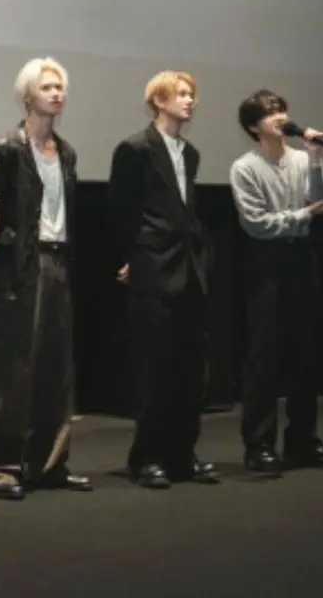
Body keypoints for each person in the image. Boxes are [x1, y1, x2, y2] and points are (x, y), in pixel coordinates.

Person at [0, 58, 91, 501]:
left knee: (57, 366)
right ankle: (1, 467)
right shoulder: (6, 149)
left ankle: (49, 463)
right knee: (16, 367)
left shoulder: (66, 152)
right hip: (23, 264)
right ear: (27, 95)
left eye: (60, 86)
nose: (57, 93)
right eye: (47, 87)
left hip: (59, 261)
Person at [107, 71, 218, 490]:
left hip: (189, 267)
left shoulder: (190, 153)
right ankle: (147, 457)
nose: (190, 101)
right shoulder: (135, 148)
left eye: (192, 94)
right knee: (154, 367)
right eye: (181, 94)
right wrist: (133, 256)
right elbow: (120, 209)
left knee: (190, 366)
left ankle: (182, 454)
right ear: (159, 100)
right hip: (153, 265)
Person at [229, 89, 323, 475]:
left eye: (281, 109)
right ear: (252, 126)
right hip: (266, 262)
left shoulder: (301, 159)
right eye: (269, 113)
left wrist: (315, 157)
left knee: (305, 353)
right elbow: (256, 224)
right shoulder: (245, 168)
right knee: (263, 354)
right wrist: (301, 215)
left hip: (301, 259)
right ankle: (259, 445)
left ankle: (303, 440)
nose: (279, 116)